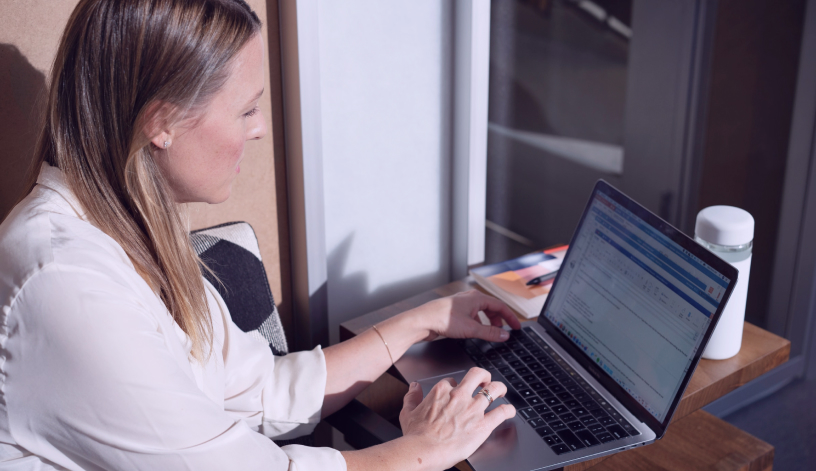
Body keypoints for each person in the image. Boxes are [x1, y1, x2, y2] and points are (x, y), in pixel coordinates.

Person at [0, 1, 520, 469]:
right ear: (162, 123)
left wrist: (423, 322)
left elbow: (261, 390)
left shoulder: (130, 229)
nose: (260, 128)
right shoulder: (66, 283)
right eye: (246, 109)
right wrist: (424, 451)